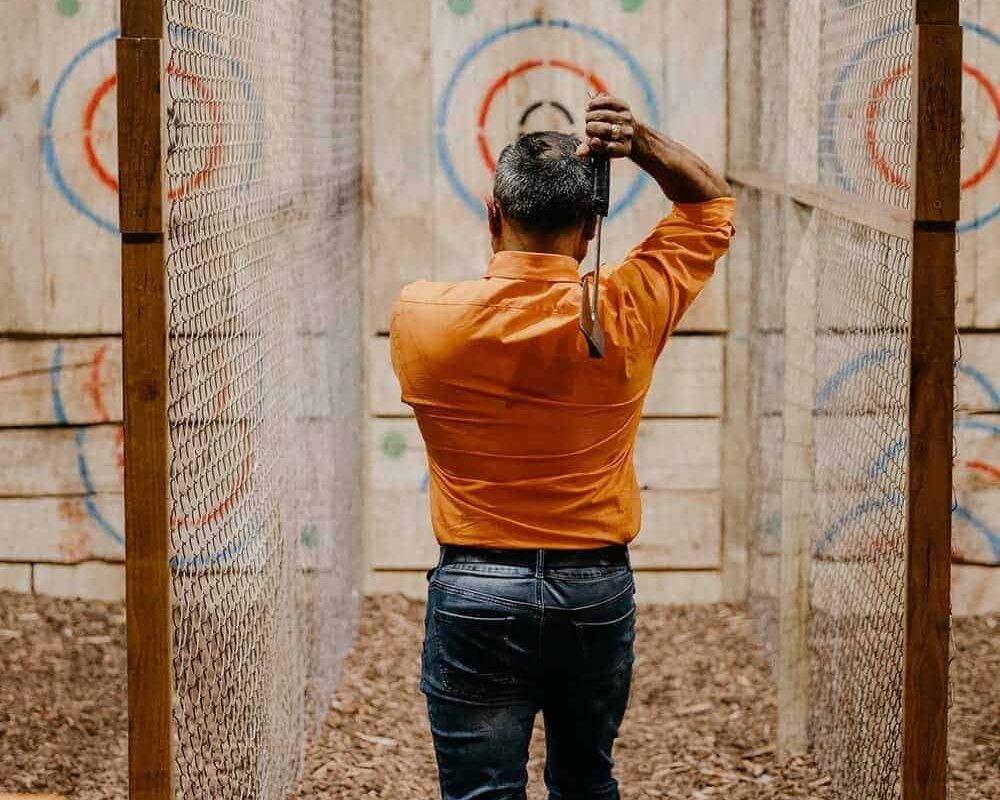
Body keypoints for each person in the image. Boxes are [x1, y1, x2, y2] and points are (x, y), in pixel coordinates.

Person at [389, 93, 734, 800]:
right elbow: (710, 206)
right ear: (590, 228)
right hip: (593, 591)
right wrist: (637, 143)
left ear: (493, 216)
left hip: (475, 590)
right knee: (585, 782)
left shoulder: (420, 314)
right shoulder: (626, 309)